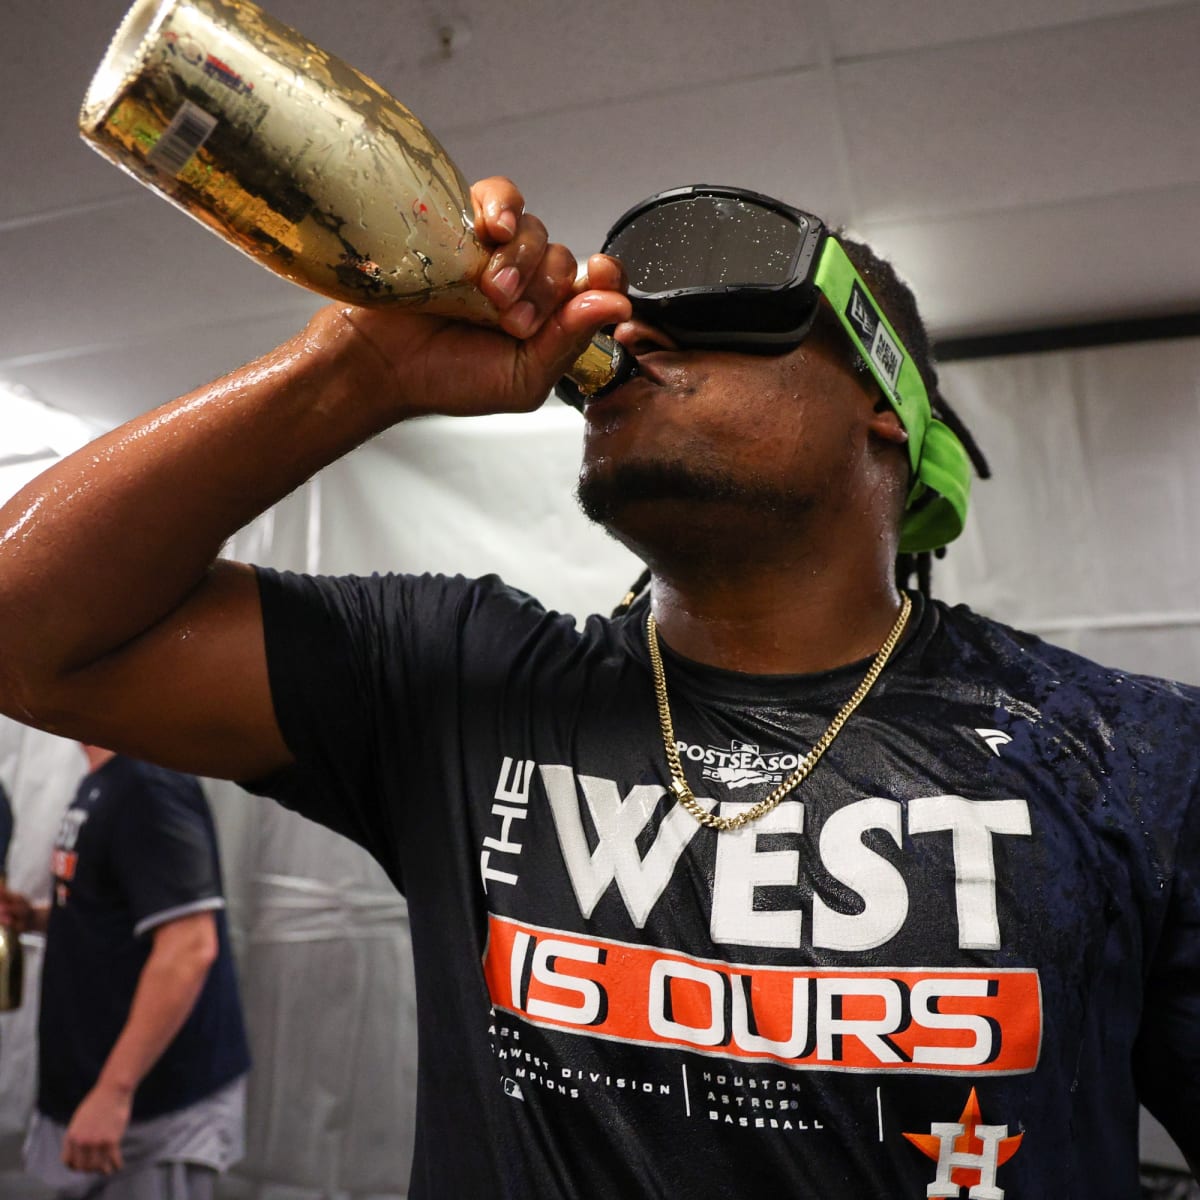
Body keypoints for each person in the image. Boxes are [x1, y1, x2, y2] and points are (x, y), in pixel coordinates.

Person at [0, 175, 1194, 1199]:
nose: (636, 333)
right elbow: (26, 630)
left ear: (884, 401)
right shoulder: (460, 677)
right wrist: (358, 367)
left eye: (725, 315)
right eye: (632, 310)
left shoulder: (1129, 759)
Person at [0, 745, 250, 1199]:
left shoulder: (149, 783)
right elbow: (114, 906)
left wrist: (114, 1092)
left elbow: (190, 946)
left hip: (151, 1118)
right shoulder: (105, 780)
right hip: (105, 1107)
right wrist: (37, 917)